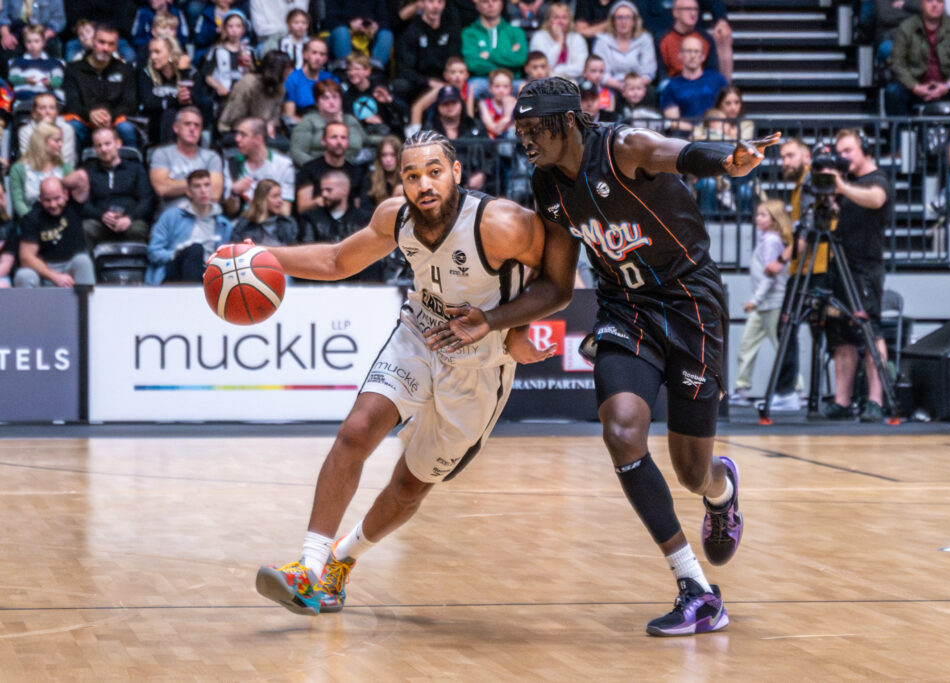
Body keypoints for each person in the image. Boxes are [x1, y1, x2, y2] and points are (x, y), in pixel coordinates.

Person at [428, 77, 777, 636]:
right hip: (625, 308)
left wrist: (727, 161)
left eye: (532, 130)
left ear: (567, 121)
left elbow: (680, 154)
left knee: (693, 472)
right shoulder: (548, 187)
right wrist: (490, 320)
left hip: (691, 306)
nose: (524, 141)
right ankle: (696, 588)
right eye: (518, 132)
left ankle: (722, 491)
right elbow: (559, 288)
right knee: (620, 430)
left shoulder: (624, 148)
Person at [253, 130, 547, 616]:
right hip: (420, 332)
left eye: (434, 171)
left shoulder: (500, 223)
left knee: (410, 486)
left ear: (455, 172)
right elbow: (335, 260)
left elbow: (557, 270)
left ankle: (342, 561)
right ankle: (308, 567)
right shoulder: (396, 217)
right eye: (412, 175)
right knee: (355, 431)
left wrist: (516, 325)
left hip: (479, 361)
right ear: (401, 180)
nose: (423, 184)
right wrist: (261, 257)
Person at [820, 129, 893, 422]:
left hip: (865, 268)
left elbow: (876, 200)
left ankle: (875, 401)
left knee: (870, 330)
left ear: (866, 150)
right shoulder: (849, 184)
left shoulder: (877, 179)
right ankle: (842, 401)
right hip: (841, 266)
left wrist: (841, 187)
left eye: (849, 151)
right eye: (841, 152)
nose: (843, 157)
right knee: (841, 337)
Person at [765, 137, 819, 412]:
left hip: (815, 269)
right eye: (783, 157)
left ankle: (787, 391)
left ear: (806, 155)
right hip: (805, 268)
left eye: (791, 156)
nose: (785, 162)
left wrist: (781, 259)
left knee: (787, 327)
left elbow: (807, 232)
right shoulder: (801, 187)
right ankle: (789, 391)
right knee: (787, 327)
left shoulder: (809, 184)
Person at [731, 200, 792, 404]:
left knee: (783, 348)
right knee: (747, 345)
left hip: (773, 303)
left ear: (775, 219)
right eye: (758, 214)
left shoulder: (772, 241)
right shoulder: (765, 238)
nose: (758, 218)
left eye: (764, 215)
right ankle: (741, 389)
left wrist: (754, 300)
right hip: (763, 305)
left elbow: (770, 275)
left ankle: (795, 390)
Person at [885, 0, 950, 117]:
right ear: (921, 4)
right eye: (929, 1)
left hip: (947, 85)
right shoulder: (906, 27)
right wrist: (914, 86)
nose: (935, 5)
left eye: (939, 2)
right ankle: (899, 134)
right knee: (893, 91)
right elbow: (897, 63)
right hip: (915, 86)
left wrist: (948, 84)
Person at [146, 169, 232, 284]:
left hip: (209, 274)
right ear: (189, 192)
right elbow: (153, 252)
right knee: (195, 249)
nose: (203, 191)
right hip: (175, 270)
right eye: (197, 186)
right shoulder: (171, 216)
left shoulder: (223, 225)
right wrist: (174, 254)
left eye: (207, 185)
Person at [63, 23, 139, 149]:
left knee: (126, 128)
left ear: (116, 46)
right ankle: (72, 168)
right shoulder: (73, 69)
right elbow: (72, 102)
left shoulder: (125, 70)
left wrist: (110, 115)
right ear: (93, 42)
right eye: (101, 42)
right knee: (71, 127)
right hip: (84, 120)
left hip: (115, 121)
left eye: (111, 44)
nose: (105, 48)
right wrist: (90, 114)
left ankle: (131, 166)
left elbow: (130, 102)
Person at [81, 127, 156, 247]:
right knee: (85, 228)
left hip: (131, 220)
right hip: (100, 221)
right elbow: (84, 204)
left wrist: (130, 218)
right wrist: (101, 216)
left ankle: (135, 266)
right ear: (94, 149)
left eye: (107, 144)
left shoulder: (135, 168)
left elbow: (147, 200)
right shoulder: (88, 172)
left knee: (138, 230)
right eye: (98, 146)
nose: (104, 149)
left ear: (118, 143)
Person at [14, 177, 94, 288]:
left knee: (83, 261)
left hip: (71, 266)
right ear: (40, 199)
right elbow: (26, 257)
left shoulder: (75, 206)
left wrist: (59, 181)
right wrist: (54, 277)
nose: (53, 205)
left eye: (57, 198)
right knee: (24, 275)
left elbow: (81, 177)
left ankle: (86, 304)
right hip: (44, 271)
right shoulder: (32, 218)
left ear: (66, 194)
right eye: (47, 200)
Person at [149, 107, 225, 212]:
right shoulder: (162, 154)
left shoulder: (212, 157)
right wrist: (203, 185)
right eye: (187, 124)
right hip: (172, 218)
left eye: (197, 125)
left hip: (203, 217)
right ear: (176, 128)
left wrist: (175, 184)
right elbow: (162, 188)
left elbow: (215, 194)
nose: (192, 129)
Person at [217, 50, 294, 150]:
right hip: (234, 130)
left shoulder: (280, 88)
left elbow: (274, 115)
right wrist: (257, 128)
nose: (291, 71)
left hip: (262, 131)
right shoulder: (247, 84)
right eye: (288, 68)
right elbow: (234, 118)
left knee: (285, 144)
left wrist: (271, 124)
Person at [392, 0, 463, 104]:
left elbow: (455, 59)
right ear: (422, 4)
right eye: (431, 2)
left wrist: (450, 78)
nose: (436, 6)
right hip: (419, 81)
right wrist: (427, 81)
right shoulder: (411, 31)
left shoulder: (450, 29)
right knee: (400, 85)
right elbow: (405, 69)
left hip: (445, 78)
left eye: (440, 2)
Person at [9, 123, 86, 218]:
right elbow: (18, 202)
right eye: (57, 140)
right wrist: (31, 222)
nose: (61, 144)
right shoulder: (18, 169)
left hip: (61, 222)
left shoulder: (66, 169)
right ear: (42, 142)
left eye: (61, 140)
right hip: (30, 222)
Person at [223, 117, 296, 217]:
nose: (237, 139)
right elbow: (230, 211)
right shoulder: (233, 164)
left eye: (243, 135)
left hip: (271, 225)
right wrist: (234, 193)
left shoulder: (283, 165)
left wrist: (261, 199)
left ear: (258, 139)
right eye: (237, 134)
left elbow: (285, 211)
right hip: (241, 225)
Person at [289, 78, 367, 166]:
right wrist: (320, 168)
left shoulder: (350, 120)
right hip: (316, 170)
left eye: (335, 97)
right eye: (325, 98)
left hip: (349, 168)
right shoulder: (308, 122)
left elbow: (365, 141)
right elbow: (297, 152)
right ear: (317, 102)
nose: (331, 102)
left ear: (341, 100)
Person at [295, 120, 365, 214]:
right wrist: (325, 199)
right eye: (334, 137)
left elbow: (358, 207)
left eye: (343, 137)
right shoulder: (309, 170)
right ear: (323, 141)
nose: (339, 142)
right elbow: (302, 207)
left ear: (348, 142)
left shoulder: (356, 172)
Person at [661, 34, 728, 130]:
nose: (692, 55)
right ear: (680, 55)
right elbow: (673, 122)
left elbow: (729, 112)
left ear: (703, 56)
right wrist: (699, 131)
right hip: (687, 138)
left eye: (696, 51)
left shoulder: (718, 80)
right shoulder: (672, 86)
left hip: (718, 135)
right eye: (688, 51)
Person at [462, 0, 528, 97]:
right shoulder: (469, 33)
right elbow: (472, 63)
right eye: (485, 2)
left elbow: (520, 59)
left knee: (526, 88)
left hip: (512, 80)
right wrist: (507, 57)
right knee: (471, 88)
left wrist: (490, 55)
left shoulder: (516, 32)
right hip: (483, 80)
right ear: (477, 6)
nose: (490, 4)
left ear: (501, 4)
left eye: (495, 1)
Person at [138, 36, 196, 145]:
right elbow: (148, 102)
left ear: (171, 53)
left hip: (185, 123)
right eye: (151, 52)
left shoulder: (189, 72)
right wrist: (176, 100)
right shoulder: (146, 73)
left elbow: (193, 101)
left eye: (157, 52)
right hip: (156, 125)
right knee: (170, 113)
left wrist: (184, 72)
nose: (152, 57)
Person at [591, 0, 657, 90]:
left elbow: (648, 72)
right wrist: (620, 86)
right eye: (619, 18)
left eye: (628, 18)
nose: (623, 22)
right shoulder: (602, 41)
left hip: (639, 87)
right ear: (613, 21)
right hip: (610, 86)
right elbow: (600, 72)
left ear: (634, 21)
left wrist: (633, 87)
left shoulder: (645, 39)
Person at [323, 0, 394, 71]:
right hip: (341, 33)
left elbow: (385, 20)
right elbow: (329, 18)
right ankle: (345, 70)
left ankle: (375, 70)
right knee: (341, 32)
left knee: (386, 34)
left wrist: (375, 26)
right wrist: (349, 23)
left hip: (368, 34)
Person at [659, 0, 719, 79]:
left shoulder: (706, 39)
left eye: (695, 9)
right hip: (673, 84)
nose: (693, 13)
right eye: (687, 9)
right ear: (675, 13)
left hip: (701, 83)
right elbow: (661, 74)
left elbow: (712, 71)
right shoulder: (662, 39)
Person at [230, 179, 301, 246]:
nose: (280, 201)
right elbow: (235, 248)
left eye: (280, 196)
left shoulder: (288, 223)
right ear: (262, 199)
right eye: (275, 196)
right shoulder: (245, 224)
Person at [529, 3, 588, 81]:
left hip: (572, 83)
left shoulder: (577, 38)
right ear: (548, 20)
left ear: (569, 21)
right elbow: (541, 66)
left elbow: (581, 67)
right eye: (556, 17)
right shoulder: (539, 37)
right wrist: (559, 42)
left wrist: (556, 71)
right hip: (545, 82)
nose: (560, 21)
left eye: (564, 17)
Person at [7, 24, 65, 104]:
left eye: (36, 41)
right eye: (29, 42)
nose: (33, 45)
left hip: (45, 95)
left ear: (43, 42)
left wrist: (49, 82)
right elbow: (12, 78)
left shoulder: (54, 63)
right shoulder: (18, 62)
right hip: (24, 96)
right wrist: (25, 80)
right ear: (24, 43)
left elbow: (59, 80)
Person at [17, 92, 75, 165]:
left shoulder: (66, 129)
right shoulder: (25, 131)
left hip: (61, 172)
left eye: (52, 108)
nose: (48, 112)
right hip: (34, 171)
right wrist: (42, 130)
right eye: (42, 108)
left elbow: (66, 160)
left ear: (57, 112)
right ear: (34, 113)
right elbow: (27, 159)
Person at [282, 38, 333, 120]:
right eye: (314, 53)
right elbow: (289, 116)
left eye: (322, 54)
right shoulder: (293, 79)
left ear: (325, 59)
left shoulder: (330, 79)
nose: (318, 58)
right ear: (305, 54)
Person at [366, 135, 403, 207]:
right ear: (379, 157)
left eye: (393, 155)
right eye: (384, 155)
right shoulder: (370, 178)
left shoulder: (406, 178)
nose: (388, 160)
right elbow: (365, 208)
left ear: (399, 157)